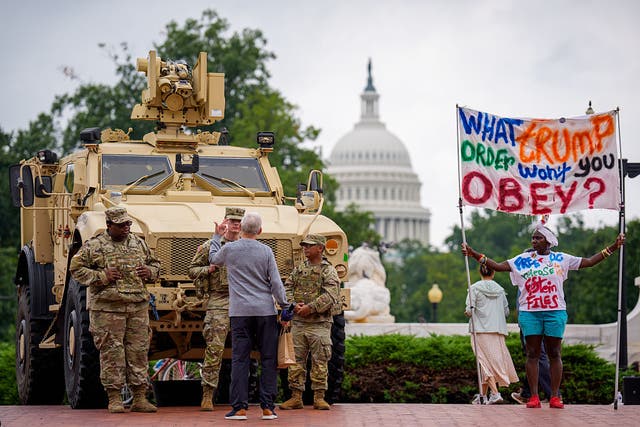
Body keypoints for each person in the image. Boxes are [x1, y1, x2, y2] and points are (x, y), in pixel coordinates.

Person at [462, 220, 624, 409]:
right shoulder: (522, 260)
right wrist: (474, 254)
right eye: (533, 238)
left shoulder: (561, 259)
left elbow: (588, 262)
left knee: (555, 353)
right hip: (530, 313)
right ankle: (534, 397)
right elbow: (497, 266)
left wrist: (613, 247)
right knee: (533, 354)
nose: (534, 241)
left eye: (538, 238)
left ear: (548, 241)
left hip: (555, 312)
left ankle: (555, 396)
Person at [69, 206, 160, 413]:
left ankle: (139, 398)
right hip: (108, 309)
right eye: (121, 225)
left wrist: (150, 272)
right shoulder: (95, 246)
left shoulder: (139, 244)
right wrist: (101, 277)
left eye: (128, 224)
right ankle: (114, 398)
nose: (126, 228)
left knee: (138, 351)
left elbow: (156, 265)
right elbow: (75, 269)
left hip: (137, 306)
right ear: (109, 226)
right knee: (112, 352)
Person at [209, 211, 289, 421]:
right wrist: (284, 305)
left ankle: (240, 408)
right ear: (260, 231)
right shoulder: (266, 251)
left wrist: (217, 236)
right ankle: (268, 407)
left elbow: (213, 260)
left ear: (241, 229)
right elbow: (276, 283)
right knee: (269, 359)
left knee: (240, 359)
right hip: (265, 312)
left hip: (240, 312)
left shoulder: (229, 249)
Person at [188, 207, 245, 411]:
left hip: (244, 301)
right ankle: (207, 394)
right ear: (225, 222)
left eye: (239, 221)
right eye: (232, 220)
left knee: (245, 352)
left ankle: (241, 396)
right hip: (219, 302)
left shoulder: (248, 246)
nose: (236, 224)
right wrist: (208, 269)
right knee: (214, 349)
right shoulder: (209, 246)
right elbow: (192, 270)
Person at [279, 234, 340, 411]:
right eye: (304, 246)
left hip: (319, 324)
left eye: (309, 246)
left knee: (320, 361)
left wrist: (310, 308)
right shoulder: (299, 269)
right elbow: (287, 287)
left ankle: (319, 397)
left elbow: (331, 295)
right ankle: (296, 397)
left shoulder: (328, 270)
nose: (305, 248)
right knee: (296, 362)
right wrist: (293, 304)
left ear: (320, 248)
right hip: (299, 323)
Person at [465, 264, 518, 405]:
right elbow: (506, 312)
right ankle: (482, 396)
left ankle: (495, 393)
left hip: (480, 331)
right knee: (489, 363)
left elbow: (470, 310)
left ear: (480, 272)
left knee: (484, 363)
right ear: (493, 273)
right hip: (497, 331)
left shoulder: (474, 288)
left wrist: (469, 312)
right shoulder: (500, 290)